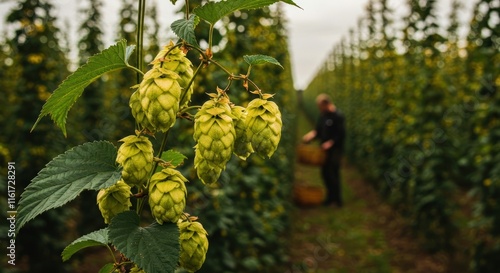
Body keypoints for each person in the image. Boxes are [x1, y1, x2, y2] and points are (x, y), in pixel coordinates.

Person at [302, 93, 346, 207]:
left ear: (326, 103)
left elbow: (341, 134)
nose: (319, 109)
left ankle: (337, 200)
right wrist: (310, 136)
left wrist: (330, 143)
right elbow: (318, 130)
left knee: (333, 173)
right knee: (325, 173)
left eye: (320, 106)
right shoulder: (323, 115)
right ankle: (330, 198)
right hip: (324, 150)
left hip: (335, 150)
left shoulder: (338, 116)